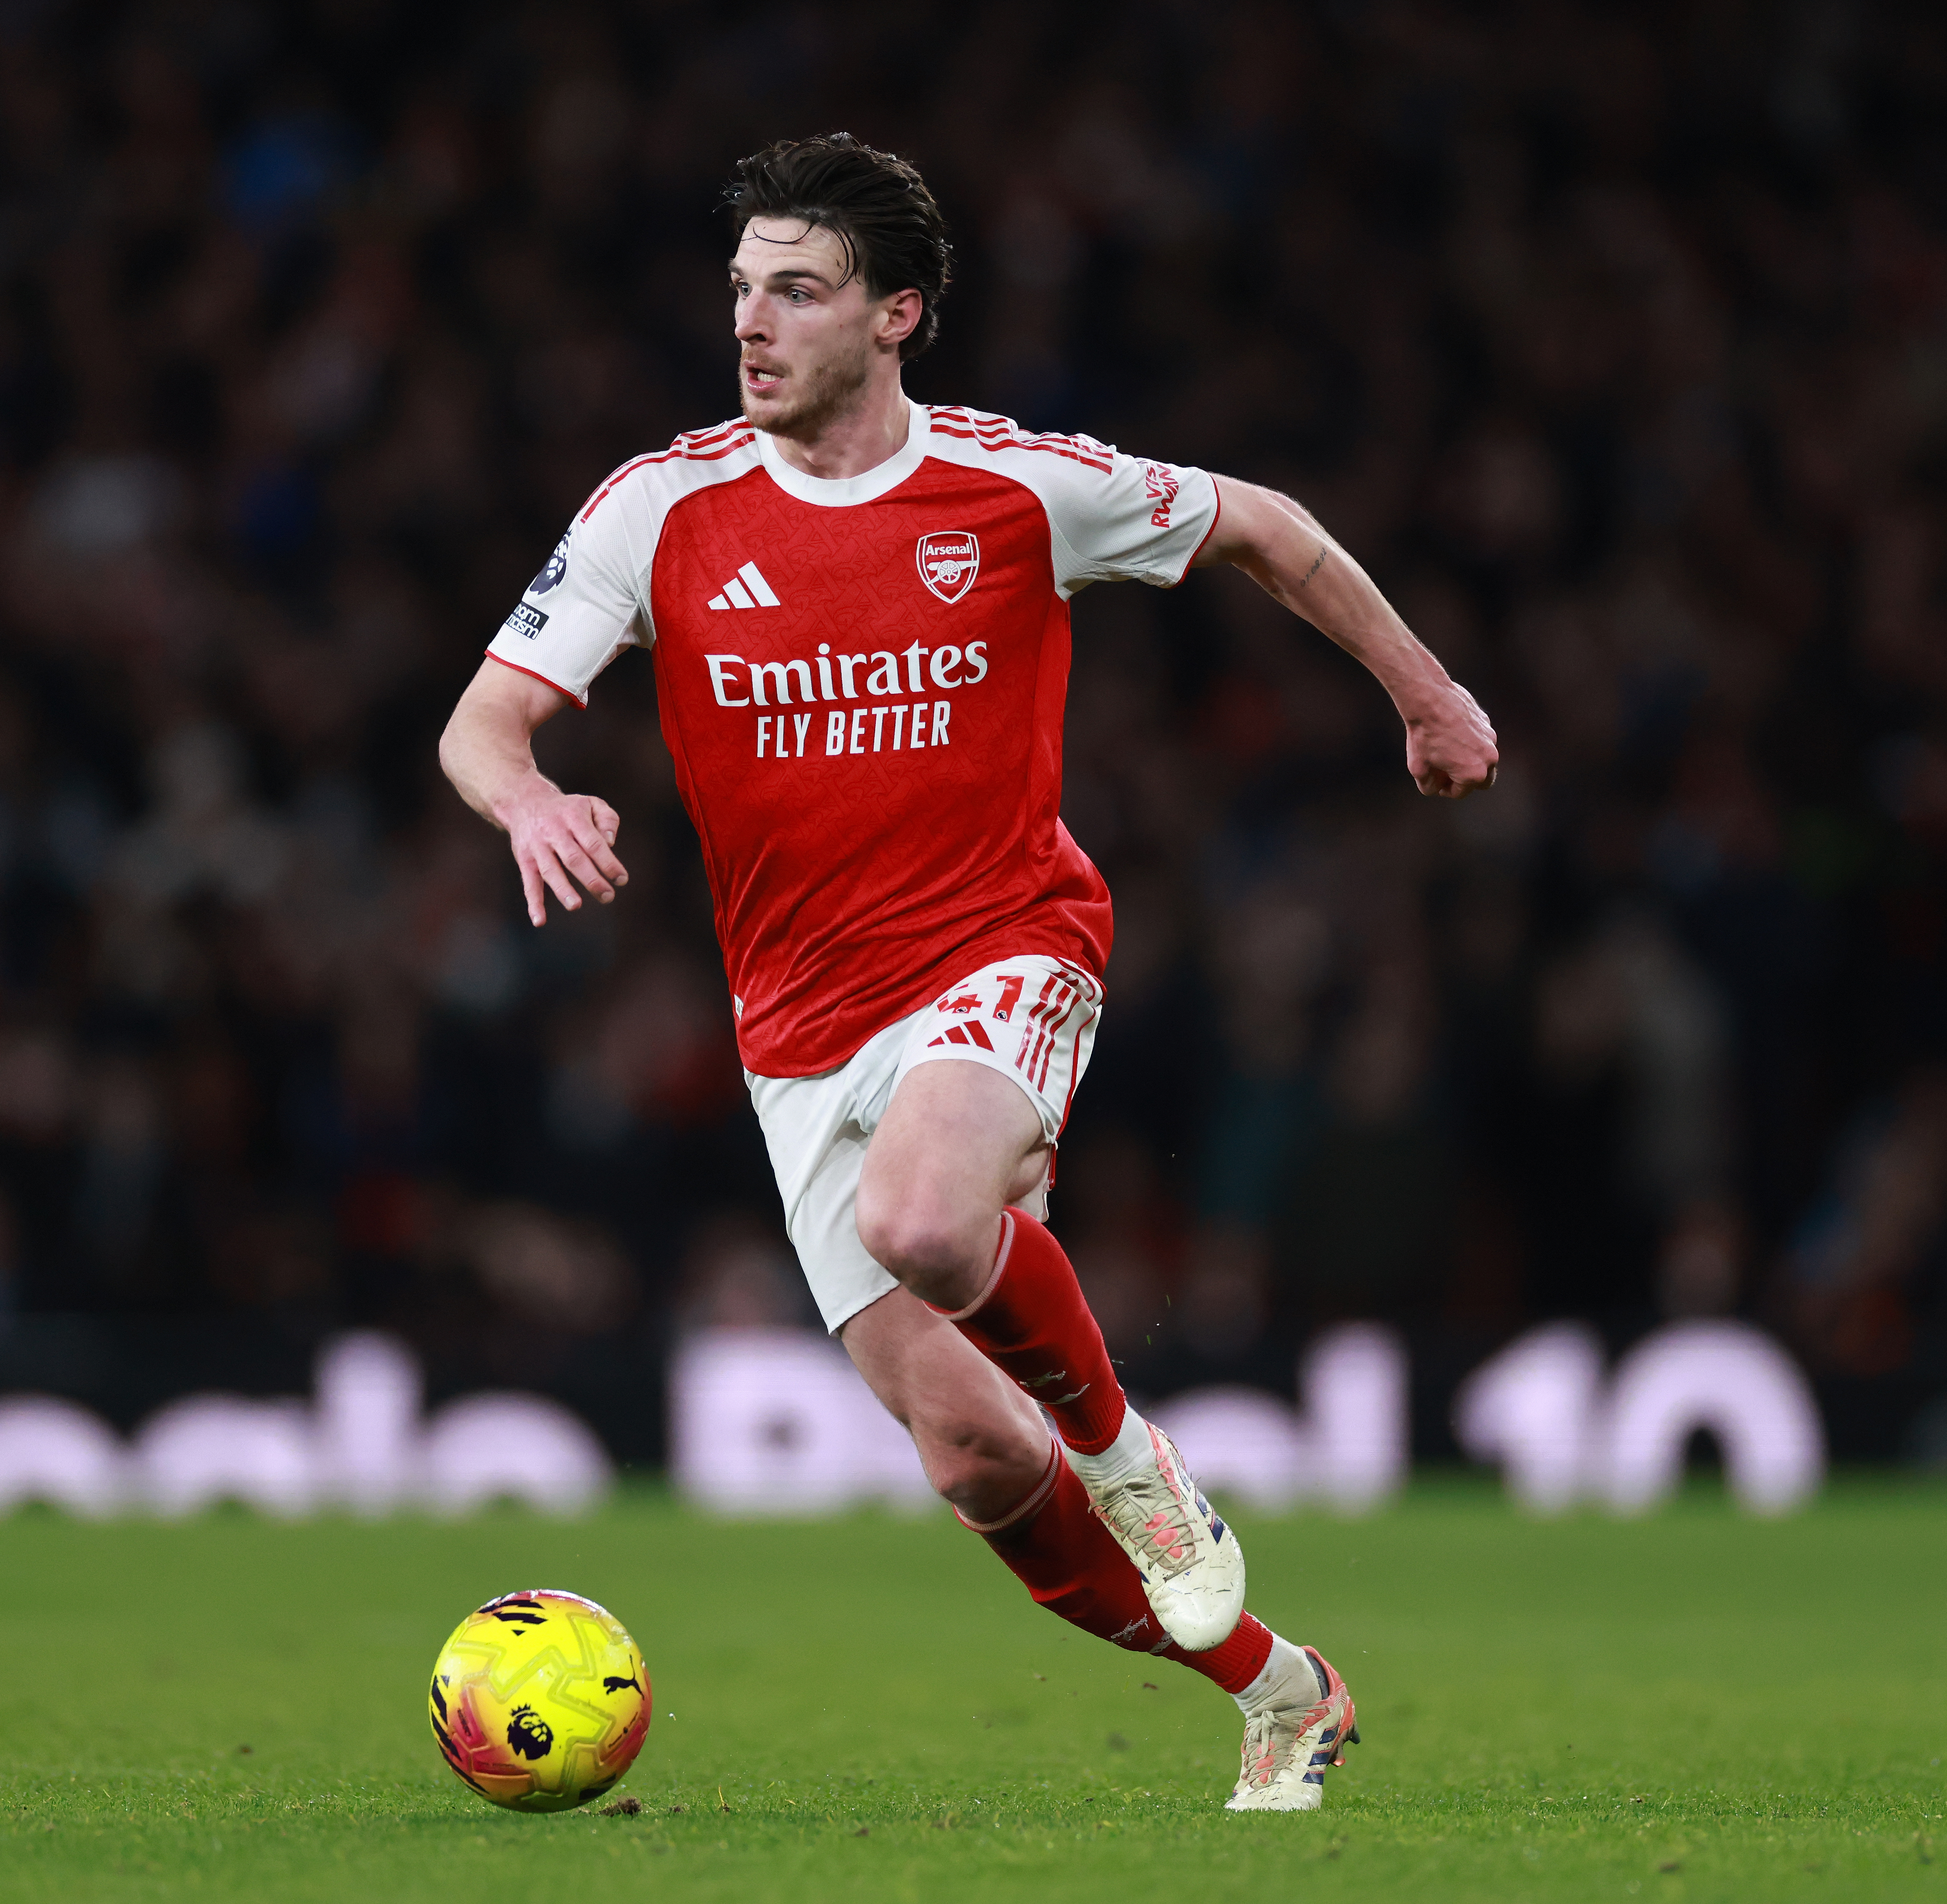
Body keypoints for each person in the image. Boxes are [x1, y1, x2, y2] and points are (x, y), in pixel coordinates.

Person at [439, 133, 1498, 1811]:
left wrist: (1427, 696)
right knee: (975, 1453)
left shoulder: (1015, 484)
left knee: (930, 1221)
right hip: (797, 1039)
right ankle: (1280, 1686)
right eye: (740, 291)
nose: (754, 324)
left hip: (1004, 949)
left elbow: (1268, 530)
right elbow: (481, 721)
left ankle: (1136, 1455)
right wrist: (529, 793)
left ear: (898, 313)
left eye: (798, 289)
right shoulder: (661, 507)